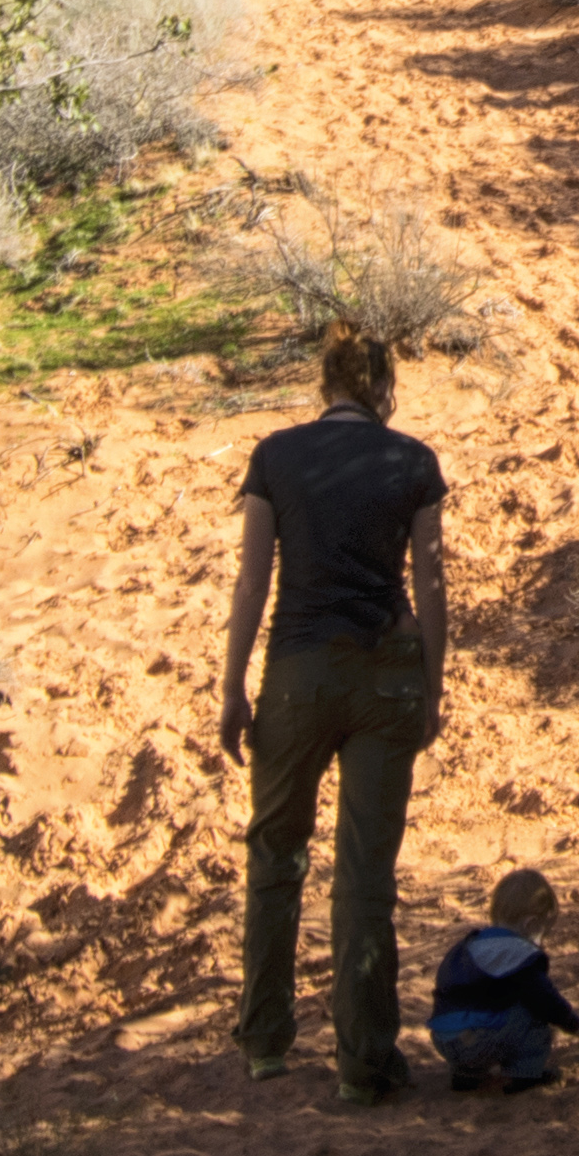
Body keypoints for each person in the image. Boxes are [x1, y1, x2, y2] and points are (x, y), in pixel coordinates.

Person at [217, 327, 448, 1101]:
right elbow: (432, 584)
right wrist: (433, 684)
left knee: (277, 854)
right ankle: (363, 1062)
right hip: (385, 677)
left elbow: (252, 583)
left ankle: (265, 1041)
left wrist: (231, 687)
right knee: (365, 875)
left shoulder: (275, 456)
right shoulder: (412, 461)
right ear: (384, 389)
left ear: (325, 385)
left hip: (296, 672)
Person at [430, 866, 579, 1094]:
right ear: (531, 925)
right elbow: (545, 999)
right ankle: (523, 1075)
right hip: (478, 1041)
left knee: (487, 1011)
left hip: (443, 1038)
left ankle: (467, 1075)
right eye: (544, 934)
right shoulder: (518, 953)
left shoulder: (471, 943)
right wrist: (575, 1024)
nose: (543, 943)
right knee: (535, 1018)